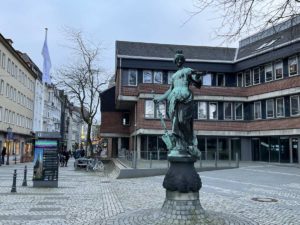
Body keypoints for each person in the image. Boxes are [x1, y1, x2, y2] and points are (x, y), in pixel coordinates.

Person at [154, 50, 203, 158]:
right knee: (175, 122)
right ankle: (180, 145)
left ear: (183, 61)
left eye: (181, 59)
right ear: (175, 61)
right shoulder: (174, 76)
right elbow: (170, 90)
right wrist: (160, 98)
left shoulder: (187, 70)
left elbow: (197, 83)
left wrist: (198, 77)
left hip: (185, 97)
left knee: (182, 120)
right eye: (177, 59)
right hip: (174, 99)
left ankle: (189, 141)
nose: (179, 61)